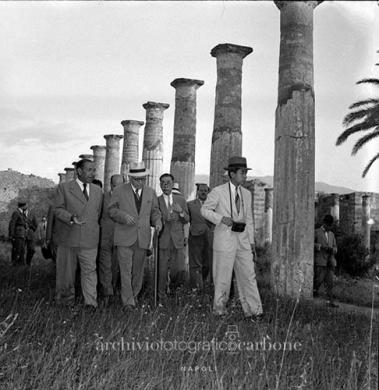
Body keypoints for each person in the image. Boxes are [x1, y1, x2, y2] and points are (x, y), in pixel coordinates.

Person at [201, 156, 263, 320]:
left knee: (249, 276)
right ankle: (219, 311)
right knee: (222, 277)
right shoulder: (218, 191)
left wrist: (251, 243)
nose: (245, 176)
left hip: (243, 241)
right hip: (224, 240)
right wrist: (221, 219)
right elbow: (205, 210)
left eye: (245, 172)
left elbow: (249, 219)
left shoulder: (247, 194)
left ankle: (254, 312)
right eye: (243, 172)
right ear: (232, 174)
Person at [108, 162, 162, 309]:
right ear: (130, 178)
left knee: (138, 272)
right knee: (125, 271)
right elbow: (111, 210)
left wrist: (157, 222)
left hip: (142, 238)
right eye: (137, 179)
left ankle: (134, 296)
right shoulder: (119, 190)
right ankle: (128, 302)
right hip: (124, 238)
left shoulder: (151, 192)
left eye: (143, 178)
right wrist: (122, 216)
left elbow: (155, 211)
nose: (141, 182)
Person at [53, 158, 103, 308]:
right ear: (79, 171)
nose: (93, 173)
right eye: (89, 170)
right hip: (69, 238)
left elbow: (97, 214)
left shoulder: (98, 191)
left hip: (90, 240)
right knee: (66, 274)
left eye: (94, 170)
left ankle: (90, 304)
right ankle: (64, 303)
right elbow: (57, 210)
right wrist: (71, 218)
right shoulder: (64, 188)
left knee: (90, 272)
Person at [157, 173, 189, 302]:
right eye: (162, 183)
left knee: (180, 269)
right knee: (162, 271)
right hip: (163, 239)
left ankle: (175, 293)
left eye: (168, 182)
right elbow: (152, 218)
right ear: (160, 185)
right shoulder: (156, 200)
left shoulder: (180, 199)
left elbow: (187, 219)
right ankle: (161, 297)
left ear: (172, 183)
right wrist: (162, 220)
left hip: (178, 240)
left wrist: (181, 211)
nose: (165, 185)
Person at [98, 174, 124, 303]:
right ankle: (107, 293)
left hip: (121, 239)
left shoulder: (127, 199)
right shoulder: (102, 198)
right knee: (105, 266)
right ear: (110, 185)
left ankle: (113, 289)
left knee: (116, 266)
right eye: (115, 185)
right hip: (105, 237)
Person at [187, 183, 214, 290]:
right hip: (195, 237)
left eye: (205, 191)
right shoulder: (190, 204)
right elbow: (185, 220)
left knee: (207, 264)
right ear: (197, 192)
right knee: (195, 264)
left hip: (209, 237)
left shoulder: (213, 205)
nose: (203, 192)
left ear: (208, 192)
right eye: (201, 190)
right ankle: (196, 288)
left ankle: (202, 282)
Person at [314, 214, 338, 308]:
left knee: (330, 282)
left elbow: (336, 247)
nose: (330, 227)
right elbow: (311, 244)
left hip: (330, 261)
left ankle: (330, 302)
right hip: (320, 261)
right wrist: (320, 247)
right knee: (318, 281)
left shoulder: (332, 234)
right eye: (329, 225)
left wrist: (333, 249)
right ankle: (312, 296)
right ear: (324, 223)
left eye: (331, 225)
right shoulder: (316, 232)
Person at [8, 200, 38, 266]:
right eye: (26, 205)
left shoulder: (31, 213)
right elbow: (12, 223)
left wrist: (31, 228)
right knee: (19, 250)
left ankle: (27, 262)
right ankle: (18, 264)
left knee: (31, 249)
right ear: (23, 206)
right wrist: (11, 234)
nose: (27, 206)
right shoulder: (18, 213)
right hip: (20, 234)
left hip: (28, 234)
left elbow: (35, 225)